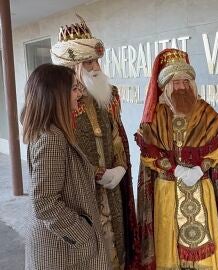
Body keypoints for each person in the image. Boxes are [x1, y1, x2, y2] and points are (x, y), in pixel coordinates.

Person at [135, 48, 218, 270]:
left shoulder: (205, 111)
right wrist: (175, 170)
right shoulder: (155, 116)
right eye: (176, 82)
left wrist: (199, 169)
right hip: (167, 192)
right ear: (165, 85)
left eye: (186, 81)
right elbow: (148, 154)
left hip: (201, 188)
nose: (182, 87)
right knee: (169, 248)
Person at [50, 15, 139, 269]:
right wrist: (95, 173)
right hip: (80, 195)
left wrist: (121, 167)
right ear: (73, 68)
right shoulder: (59, 106)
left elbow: (117, 136)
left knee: (116, 250)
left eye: (97, 60)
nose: (96, 67)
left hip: (111, 190)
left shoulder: (109, 96)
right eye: (88, 62)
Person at [22, 63, 110, 269]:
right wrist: (84, 233)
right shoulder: (52, 138)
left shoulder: (52, 131)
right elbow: (44, 202)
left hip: (63, 245)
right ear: (57, 95)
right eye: (73, 88)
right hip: (62, 251)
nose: (79, 94)